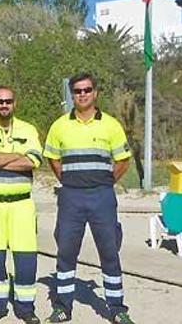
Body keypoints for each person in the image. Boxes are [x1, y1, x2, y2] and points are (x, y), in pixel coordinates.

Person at [44, 73, 134, 324]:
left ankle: (117, 309)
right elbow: (52, 157)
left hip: (102, 197)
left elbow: (123, 160)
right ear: (72, 95)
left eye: (87, 90)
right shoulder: (60, 125)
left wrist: (105, 182)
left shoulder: (111, 125)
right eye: (77, 91)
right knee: (66, 251)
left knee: (109, 252)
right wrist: (69, 180)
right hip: (71, 197)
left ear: (95, 93)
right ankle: (62, 307)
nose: (82, 94)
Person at [0, 86, 42, 323]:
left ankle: (25, 308)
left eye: (8, 101)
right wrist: (16, 156)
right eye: (0, 101)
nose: (4, 105)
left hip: (21, 204)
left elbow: (33, 160)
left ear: (15, 103)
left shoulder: (28, 129)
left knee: (25, 259)